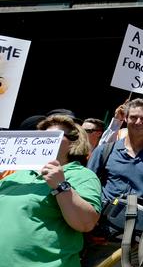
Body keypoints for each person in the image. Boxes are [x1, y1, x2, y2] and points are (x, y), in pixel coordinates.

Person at [84, 98, 143, 267]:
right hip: (108, 239)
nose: (138, 122)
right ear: (126, 119)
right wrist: (88, 228)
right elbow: (85, 190)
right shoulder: (105, 151)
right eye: (133, 117)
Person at [0, 114, 102, 266]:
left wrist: (61, 185)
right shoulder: (16, 175)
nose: (45, 140)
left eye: (54, 136)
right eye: (42, 136)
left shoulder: (82, 175)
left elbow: (86, 224)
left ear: (74, 142)